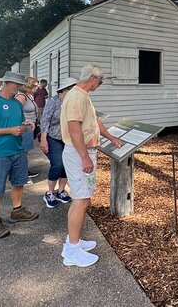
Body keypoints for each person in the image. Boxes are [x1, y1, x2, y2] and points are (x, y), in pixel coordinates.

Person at [60, 64, 122, 267]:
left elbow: (94, 122)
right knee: (81, 200)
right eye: (100, 81)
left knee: (82, 198)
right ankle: (72, 251)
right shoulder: (77, 96)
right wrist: (85, 157)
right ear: (93, 77)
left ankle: (73, 240)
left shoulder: (83, 95)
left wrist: (111, 137)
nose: (100, 85)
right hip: (80, 154)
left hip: (84, 152)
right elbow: (74, 129)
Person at [0, 71, 39, 239]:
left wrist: (25, 124)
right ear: (6, 83)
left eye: (20, 85)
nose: (19, 88)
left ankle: (17, 211)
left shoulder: (17, 104)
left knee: (19, 183)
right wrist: (9, 130)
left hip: (17, 151)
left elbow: (15, 123)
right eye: (16, 85)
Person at [39, 77, 77, 208]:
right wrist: (43, 139)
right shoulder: (53, 101)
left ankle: (61, 191)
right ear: (63, 90)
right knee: (57, 164)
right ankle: (49, 193)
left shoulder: (73, 102)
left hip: (68, 139)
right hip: (53, 137)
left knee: (67, 164)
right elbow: (45, 121)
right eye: (72, 90)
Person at [15, 76, 40, 179]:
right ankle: (21, 173)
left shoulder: (30, 96)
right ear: (27, 85)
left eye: (37, 86)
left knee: (26, 151)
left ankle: (24, 170)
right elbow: (16, 112)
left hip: (30, 127)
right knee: (22, 151)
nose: (36, 88)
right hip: (24, 126)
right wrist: (25, 122)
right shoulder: (21, 96)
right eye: (34, 85)